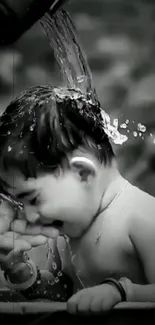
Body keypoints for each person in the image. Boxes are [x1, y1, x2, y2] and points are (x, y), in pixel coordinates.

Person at [0, 85, 155, 314]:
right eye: (20, 204)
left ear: (83, 173)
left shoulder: (142, 218)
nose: (30, 215)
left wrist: (120, 292)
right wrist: (24, 274)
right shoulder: (65, 234)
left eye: (33, 198)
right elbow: (62, 296)